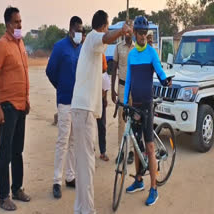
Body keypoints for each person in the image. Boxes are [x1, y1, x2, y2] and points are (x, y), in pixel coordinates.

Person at [70, 10, 132, 214]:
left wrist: (121, 33)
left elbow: (105, 41)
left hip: (82, 109)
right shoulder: (94, 38)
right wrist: (121, 31)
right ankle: (88, 210)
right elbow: (106, 37)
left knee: (82, 162)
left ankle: (80, 208)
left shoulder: (93, 45)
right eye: (107, 25)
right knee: (87, 163)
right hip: (84, 110)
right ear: (103, 25)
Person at [123, 16, 171, 206]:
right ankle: (139, 181)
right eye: (140, 33)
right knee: (136, 145)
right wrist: (125, 102)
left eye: (145, 33)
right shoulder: (132, 55)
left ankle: (154, 189)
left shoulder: (152, 53)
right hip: (135, 106)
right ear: (134, 34)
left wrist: (166, 80)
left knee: (149, 147)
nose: (142, 36)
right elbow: (128, 81)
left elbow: (159, 71)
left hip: (147, 105)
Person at [0, 6, 31, 211]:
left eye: (20, 21)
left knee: (18, 150)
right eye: (16, 22)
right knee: (5, 152)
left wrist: (27, 99)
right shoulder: (1, 45)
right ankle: (3, 196)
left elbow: (23, 72)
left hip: (21, 105)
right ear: (8, 24)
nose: (20, 25)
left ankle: (17, 189)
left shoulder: (20, 43)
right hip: (7, 106)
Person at [46, 16, 83, 199]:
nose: (79, 34)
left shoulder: (81, 48)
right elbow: (50, 71)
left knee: (74, 141)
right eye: (77, 30)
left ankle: (70, 177)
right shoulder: (60, 47)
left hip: (78, 103)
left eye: (81, 31)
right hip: (65, 101)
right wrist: (60, 86)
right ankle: (56, 181)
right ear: (70, 30)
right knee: (63, 140)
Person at [111, 23, 135, 164]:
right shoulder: (118, 47)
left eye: (130, 31)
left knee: (133, 119)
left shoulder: (137, 48)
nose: (128, 34)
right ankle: (121, 151)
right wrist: (113, 90)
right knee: (121, 120)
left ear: (132, 32)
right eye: (125, 32)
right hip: (121, 88)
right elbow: (113, 69)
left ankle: (131, 151)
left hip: (134, 88)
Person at [97, 54, 110, 161]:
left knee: (102, 126)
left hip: (100, 99)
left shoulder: (101, 55)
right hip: (90, 100)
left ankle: (103, 151)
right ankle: (90, 150)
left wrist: (105, 98)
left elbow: (105, 74)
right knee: (90, 127)